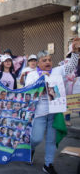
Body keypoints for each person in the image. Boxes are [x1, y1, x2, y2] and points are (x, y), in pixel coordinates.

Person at [25, 38, 80, 174]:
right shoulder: (31, 75)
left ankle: (48, 164)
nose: (48, 62)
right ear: (37, 63)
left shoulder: (57, 71)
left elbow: (71, 66)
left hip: (55, 113)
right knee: (36, 138)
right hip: (40, 113)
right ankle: (31, 149)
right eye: (44, 60)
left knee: (51, 140)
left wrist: (75, 52)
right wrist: (41, 80)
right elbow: (29, 91)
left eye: (49, 59)